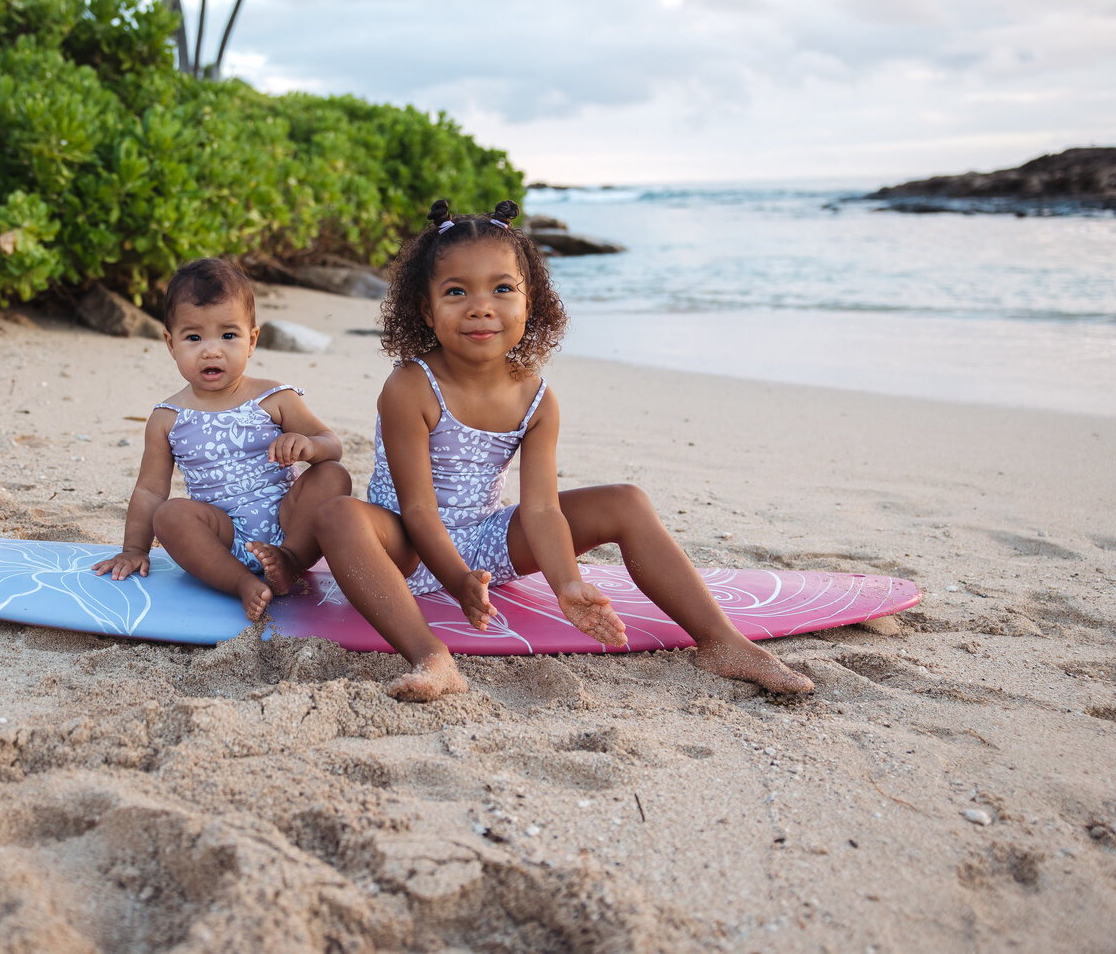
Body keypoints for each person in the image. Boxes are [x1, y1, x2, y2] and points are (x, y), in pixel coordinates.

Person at [316, 199, 816, 702]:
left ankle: (721, 642)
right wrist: (458, 579)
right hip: (401, 546)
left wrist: (567, 583)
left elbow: (540, 509)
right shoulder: (410, 386)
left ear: (528, 303)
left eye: (502, 288)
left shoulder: (536, 398)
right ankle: (432, 656)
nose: (481, 306)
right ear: (427, 309)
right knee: (338, 516)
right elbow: (419, 509)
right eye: (456, 291)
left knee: (625, 501)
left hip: (486, 541)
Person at [93, 258, 351, 620]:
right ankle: (242, 583)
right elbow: (151, 491)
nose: (211, 350)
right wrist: (134, 548)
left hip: (290, 524)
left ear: (252, 340)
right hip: (222, 536)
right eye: (194, 337)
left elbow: (331, 443)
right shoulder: (167, 419)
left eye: (228, 335)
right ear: (170, 343)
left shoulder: (274, 397)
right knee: (169, 516)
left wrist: (309, 445)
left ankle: (289, 564)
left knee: (333, 475)